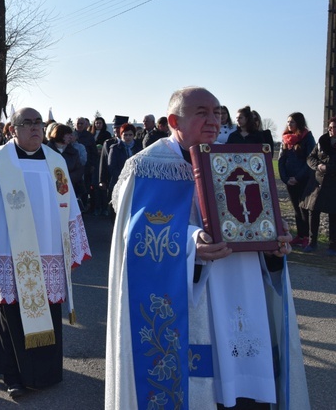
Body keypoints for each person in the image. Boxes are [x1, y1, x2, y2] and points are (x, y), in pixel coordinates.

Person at [105, 87, 309, 409]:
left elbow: (254, 222)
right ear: (174, 120)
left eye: (217, 112)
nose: (214, 119)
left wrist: (272, 244)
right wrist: (190, 243)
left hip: (241, 290)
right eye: (201, 112)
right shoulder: (147, 167)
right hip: (190, 301)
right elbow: (136, 239)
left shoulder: (238, 161)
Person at [0, 107, 91, 398]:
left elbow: (70, 206)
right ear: (12, 129)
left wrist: (74, 248)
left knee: (47, 312)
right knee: (11, 315)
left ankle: (45, 373)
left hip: (49, 252)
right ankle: (12, 375)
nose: (34, 128)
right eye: (26, 123)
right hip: (7, 251)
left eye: (38, 122)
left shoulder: (56, 161)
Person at [278, 112, 316, 249]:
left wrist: (298, 177)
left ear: (299, 123)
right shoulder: (285, 139)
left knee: (304, 208)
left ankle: (307, 236)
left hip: (303, 180)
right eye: (288, 122)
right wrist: (286, 178)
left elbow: (310, 160)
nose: (289, 124)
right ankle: (300, 235)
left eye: (292, 122)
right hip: (290, 180)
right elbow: (281, 160)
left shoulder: (307, 137)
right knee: (295, 208)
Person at [300, 116, 336, 255]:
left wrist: (330, 168)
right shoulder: (322, 141)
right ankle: (311, 242)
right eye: (330, 127)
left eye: (334, 128)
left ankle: (332, 245)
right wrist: (319, 166)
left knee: (333, 215)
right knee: (313, 212)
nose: (332, 130)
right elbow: (310, 157)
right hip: (317, 183)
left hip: (333, 184)